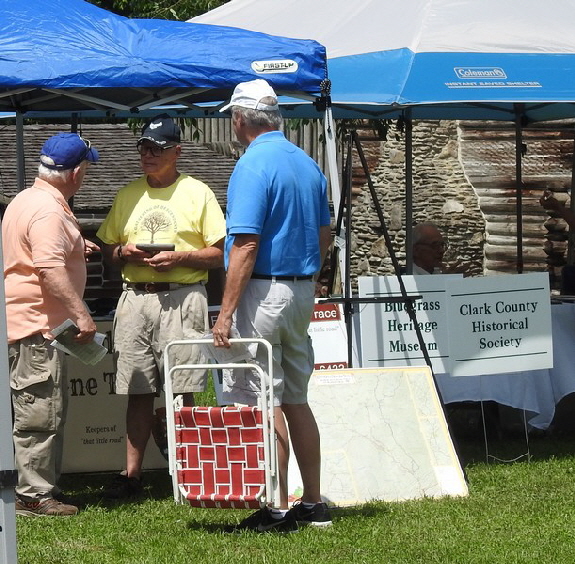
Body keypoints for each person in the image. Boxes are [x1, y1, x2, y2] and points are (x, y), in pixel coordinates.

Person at [212, 79, 333, 532]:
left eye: (231, 117)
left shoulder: (251, 165)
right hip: (302, 288)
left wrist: (225, 313)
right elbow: (325, 234)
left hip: (264, 290)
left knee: (265, 398)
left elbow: (244, 244)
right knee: (296, 397)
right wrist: (313, 279)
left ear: (239, 119)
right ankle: (313, 502)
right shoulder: (306, 163)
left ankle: (277, 505)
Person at [96, 114, 226, 499]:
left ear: (177, 152)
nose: (148, 155)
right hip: (135, 297)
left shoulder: (198, 192)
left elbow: (218, 254)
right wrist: (122, 251)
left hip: (183, 297)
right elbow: (107, 249)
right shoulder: (127, 194)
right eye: (144, 148)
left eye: (157, 149)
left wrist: (180, 258)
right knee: (137, 387)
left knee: (182, 387)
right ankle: (131, 475)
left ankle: (187, 472)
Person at [3, 133, 99, 516]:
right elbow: (48, 268)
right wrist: (81, 314)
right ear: (75, 172)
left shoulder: (26, 199)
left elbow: (37, 253)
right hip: (38, 328)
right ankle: (33, 495)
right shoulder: (49, 211)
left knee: (33, 407)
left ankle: (33, 488)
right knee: (39, 412)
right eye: (86, 168)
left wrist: (77, 244)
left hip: (22, 321)